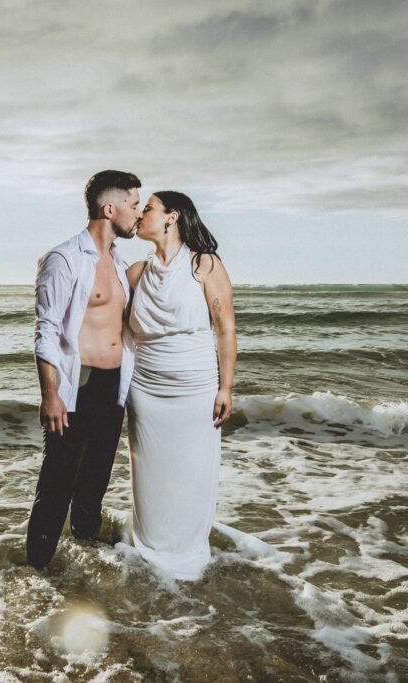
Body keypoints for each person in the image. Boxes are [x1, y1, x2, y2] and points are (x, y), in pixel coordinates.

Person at [26, 170, 142, 570]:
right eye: (133, 204)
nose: (138, 213)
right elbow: (47, 329)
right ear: (109, 208)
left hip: (113, 387)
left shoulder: (119, 261)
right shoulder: (64, 258)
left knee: (94, 482)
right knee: (57, 483)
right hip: (78, 385)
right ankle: (37, 570)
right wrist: (50, 393)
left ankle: (87, 564)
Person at [123, 191, 236, 581]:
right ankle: (149, 554)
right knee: (149, 478)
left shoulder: (204, 265)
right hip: (145, 389)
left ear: (171, 217)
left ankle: (188, 558)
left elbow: (225, 328)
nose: (139, 215)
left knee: (191, 473)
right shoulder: (136, 272)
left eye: (148, 208)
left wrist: (226, 387)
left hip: (195, 387)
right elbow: (118, 334)